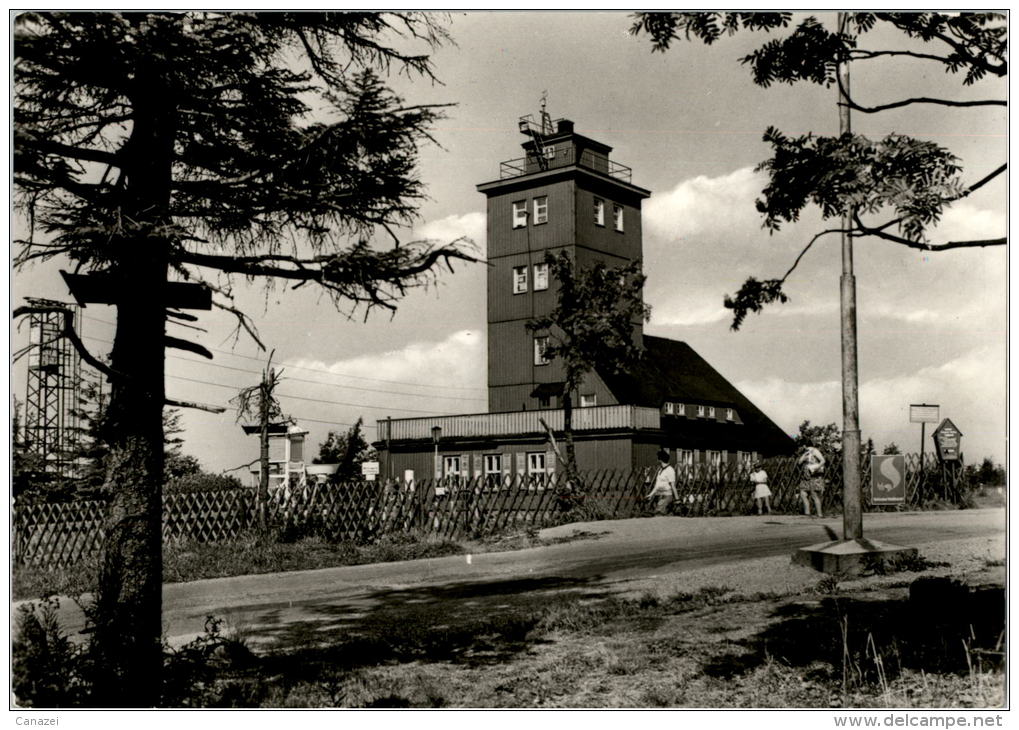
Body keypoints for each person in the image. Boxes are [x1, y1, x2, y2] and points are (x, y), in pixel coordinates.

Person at [796, 442, 826, 517]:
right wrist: (804, 455)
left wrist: (816, 468)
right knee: (803, 493)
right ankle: (807, 513)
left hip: (814, 475)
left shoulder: (815, 451)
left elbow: (823, 461)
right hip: (806, 477)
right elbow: (799, 462)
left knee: (814, 495)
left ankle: (820, 514)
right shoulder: (806, 452)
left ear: (804, 445)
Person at [645, 449, 678, 515]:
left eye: (658, 458)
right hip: (659, 496)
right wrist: (650, 495)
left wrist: (677, 499)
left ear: (660, 459)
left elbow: (673, 486)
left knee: (658, 513)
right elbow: (657, 485)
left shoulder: (670, 470)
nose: (657, 460)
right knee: (661, 514)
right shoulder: (660, 470)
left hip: (667, 496)